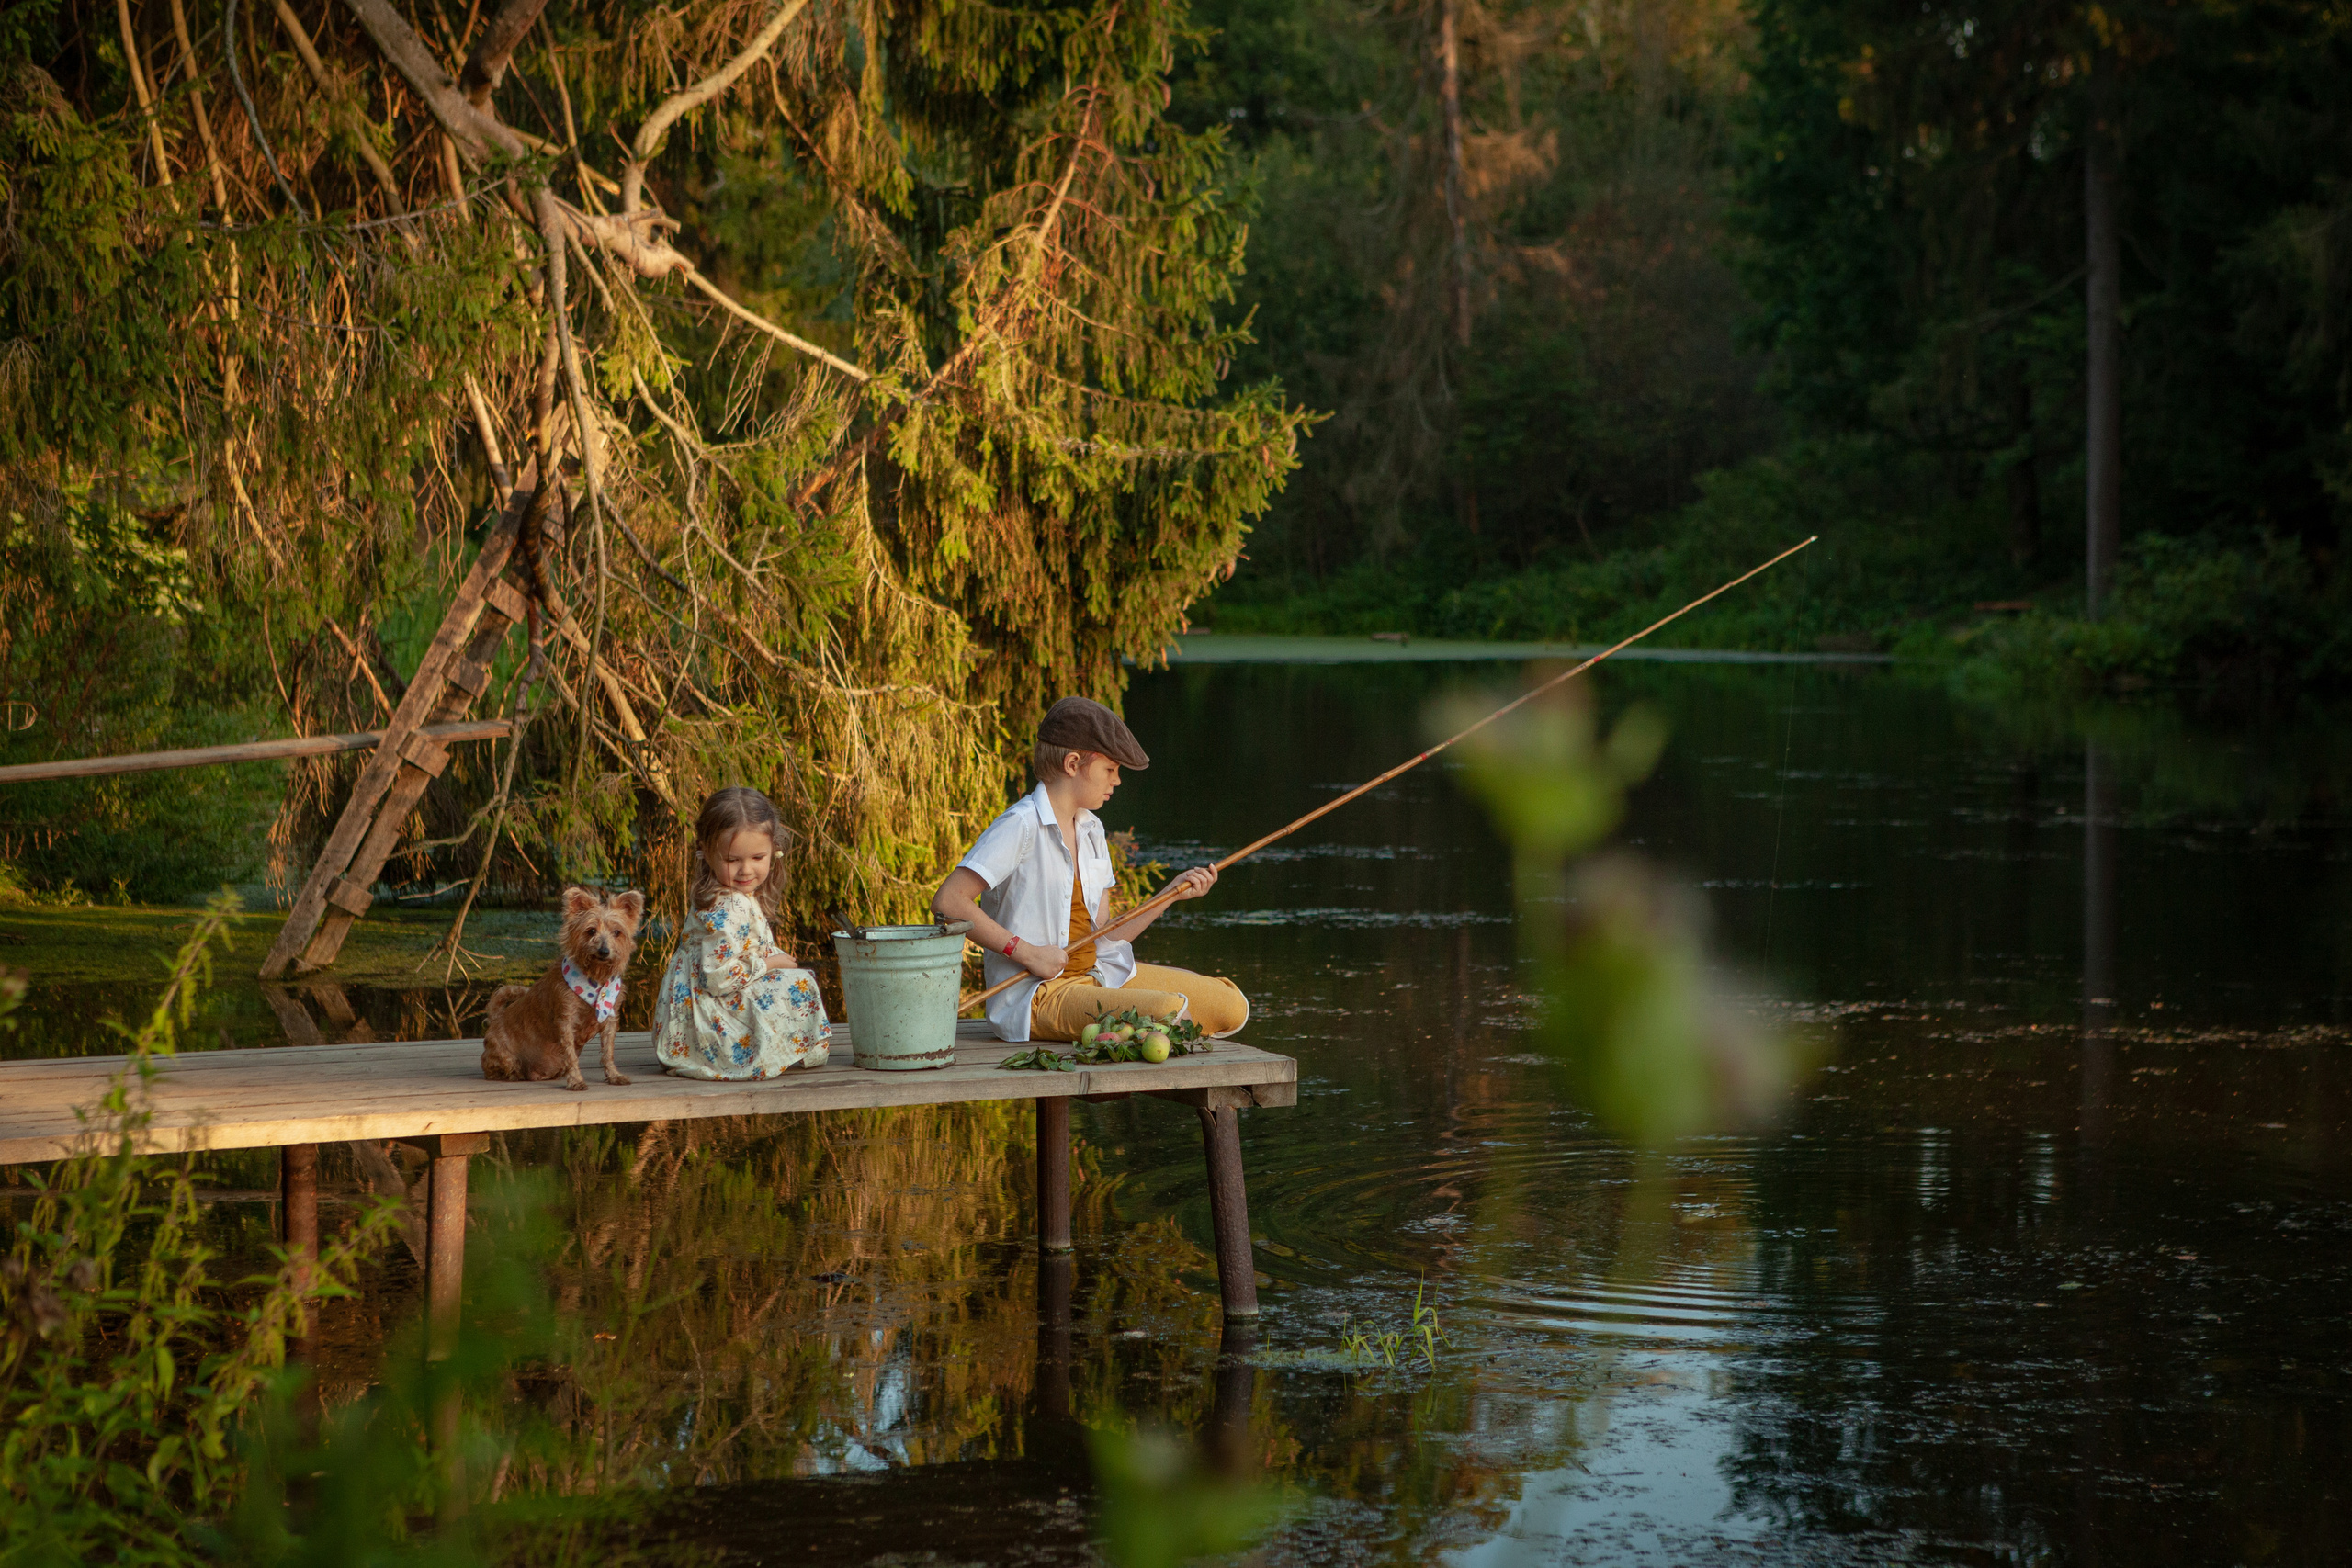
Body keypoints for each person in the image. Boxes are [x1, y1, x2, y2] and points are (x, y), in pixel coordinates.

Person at [933, 695, 1249, 1043]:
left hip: (1100, 976)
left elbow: (1106, 938)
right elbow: (949, 902)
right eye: (1109, 770)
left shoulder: (1092, 831)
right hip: (1039, 997)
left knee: (1229, 1005)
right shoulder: (1019, 826)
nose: (1116, 781)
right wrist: (1027, 953)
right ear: (1073, 763)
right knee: (1168, 1010)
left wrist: (1170, 894)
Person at [652, 786, 832, 1079]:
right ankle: (776, 1050)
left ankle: (786, 1045)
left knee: (794, 978)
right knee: (802, 984)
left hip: (696, 1003)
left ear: (774, 849)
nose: (746, 870)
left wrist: (774, 958)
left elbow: (746, 949)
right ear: (706, 852)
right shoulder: (730, 905)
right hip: (708, 1009)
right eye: (732, 860)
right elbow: (717, 977)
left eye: (757, 857)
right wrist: (771, 964)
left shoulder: (729, 894)